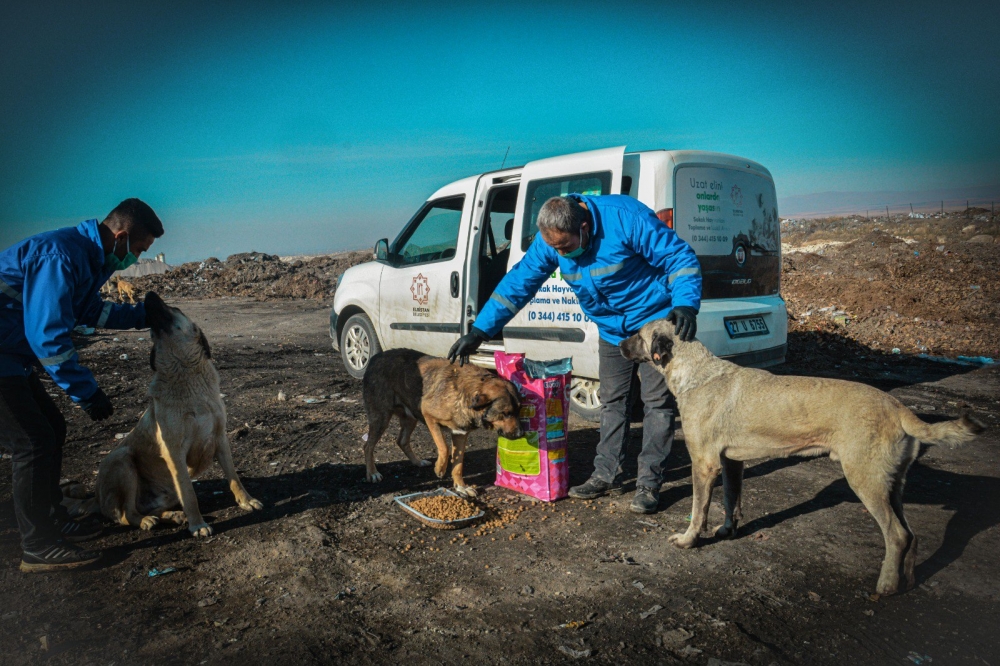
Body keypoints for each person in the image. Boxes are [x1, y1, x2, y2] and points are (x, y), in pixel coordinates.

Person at [448, 194, 701, 513]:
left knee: (656, 404)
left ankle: (649, 484)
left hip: (655, 321)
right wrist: (480, 330)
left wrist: (685, 303)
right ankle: (606, 474)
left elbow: (678, 256)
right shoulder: (551, 240)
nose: (560, 254)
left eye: (565, 247)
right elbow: (518, 283)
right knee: (613, 401)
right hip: (611, 329)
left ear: (584, 227)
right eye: (555, 248)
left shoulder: (624, 218)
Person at [0, 198, 163, 572]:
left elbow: (90, 312)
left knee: (51, 429)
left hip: (10, 355)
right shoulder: (60, 256)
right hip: (4, 356)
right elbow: (48, 336)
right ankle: (37, 546)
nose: (135, 259)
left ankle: (52, 518)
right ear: (120, 237)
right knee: (31, 441)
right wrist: (86, 392)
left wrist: (143, 315)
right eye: (137, 249)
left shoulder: (89, 259)